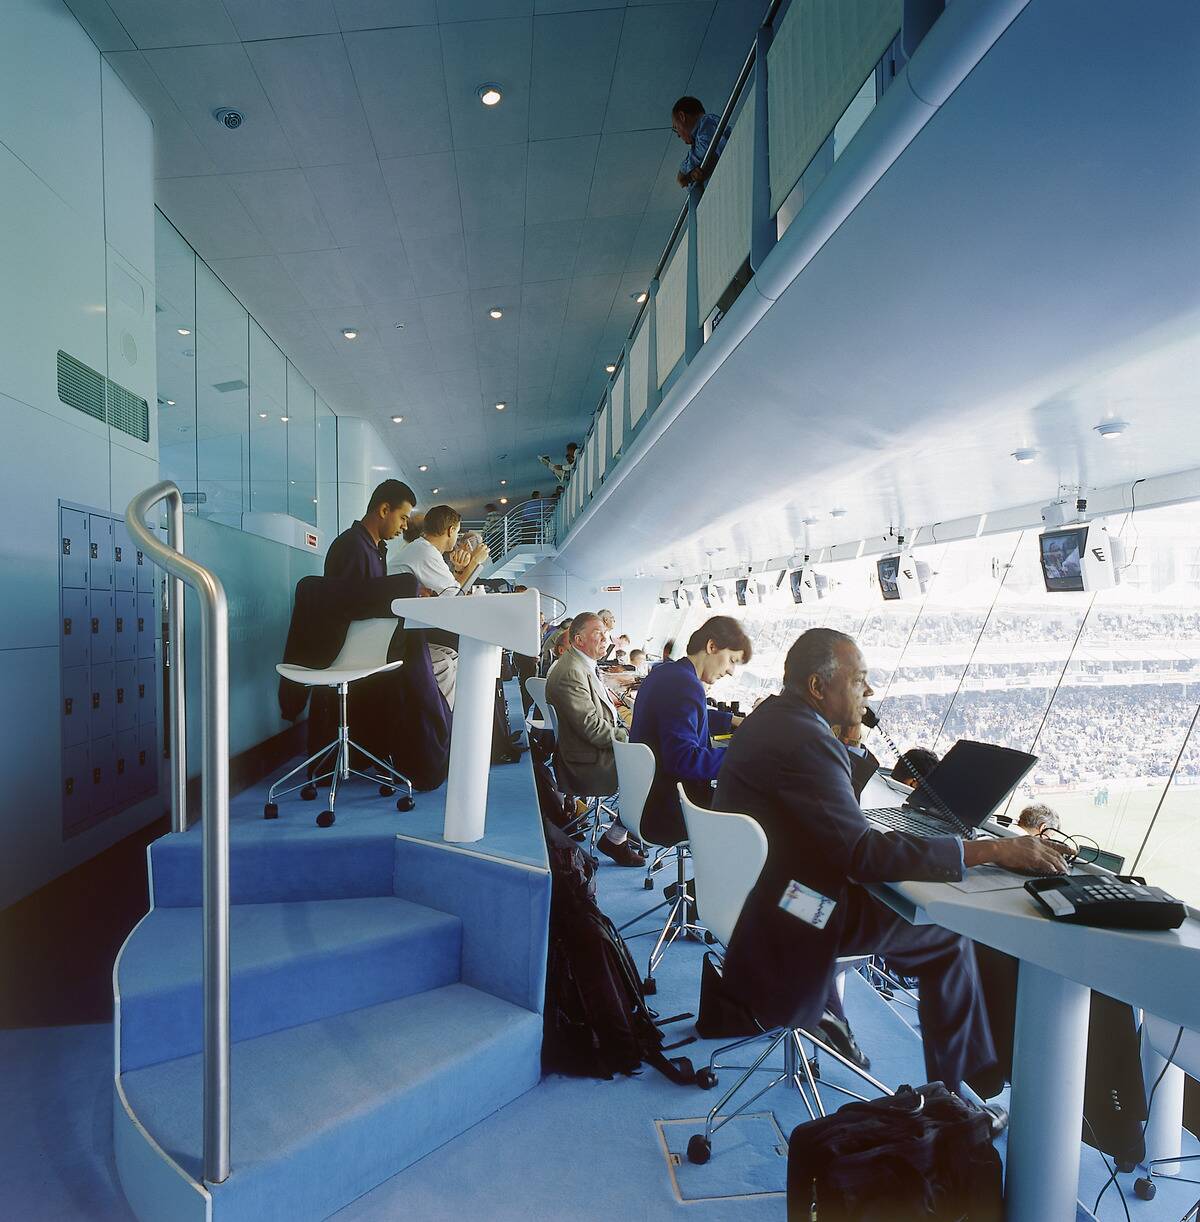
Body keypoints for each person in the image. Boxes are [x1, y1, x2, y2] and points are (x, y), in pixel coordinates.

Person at [716, 628, 1070, 1099]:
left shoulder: (776, 718)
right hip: (799, 909)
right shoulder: (807, 741)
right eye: (858, 679)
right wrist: (992, 850)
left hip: (770, 895)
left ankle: (831, 1012)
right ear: (818, 686)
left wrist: (851, 746)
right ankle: (958, 1094)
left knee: (897, 903)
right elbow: (863, 854)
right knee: (946, 937)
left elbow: (822, 814)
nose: (869, 691)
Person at [630, 615, 749, 848]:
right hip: (671, 810)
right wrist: (744, 759)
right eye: (732, 660)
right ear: (712, 646)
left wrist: (733, 720)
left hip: (647, 795)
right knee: (759, 815)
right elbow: (684, 760)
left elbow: (682, 715)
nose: (731, 671)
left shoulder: (666, 673)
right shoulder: (685, 685)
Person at [546, 612, 645, 867]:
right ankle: (617, 837)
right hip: (588, 761)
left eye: (605, 633)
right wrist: (631, 737)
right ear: (579, 640)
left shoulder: (580, 664)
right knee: (654, 769)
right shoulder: (572, 672)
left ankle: (626, 828)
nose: (605, 639)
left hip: (585, 751)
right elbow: (592, 729)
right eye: (598, 634)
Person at [390, 505, 489, 707]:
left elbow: (450, 591)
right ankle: (442, 717)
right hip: (394, 636)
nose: (457, 537)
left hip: (400, 629)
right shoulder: (424, 552)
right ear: (451, 530)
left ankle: (450, 715)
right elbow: (454, 597)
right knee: (445, 661)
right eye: (457, 532)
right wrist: (474, 563)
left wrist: (459, 570)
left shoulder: (423, 550)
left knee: (452, 656)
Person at [324, 479, 415, 580]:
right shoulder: (353, 546)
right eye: (403, 518)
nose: (405, 526)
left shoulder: (377, 548)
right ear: (384, 510)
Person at [671, 96, 728, 189]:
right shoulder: (696, 143)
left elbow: (704, 151)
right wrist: (689, 174)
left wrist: (687, 174)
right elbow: (681, 179)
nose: (678, 135)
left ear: (682, 116)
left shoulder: (707, 121)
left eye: (676, 128)